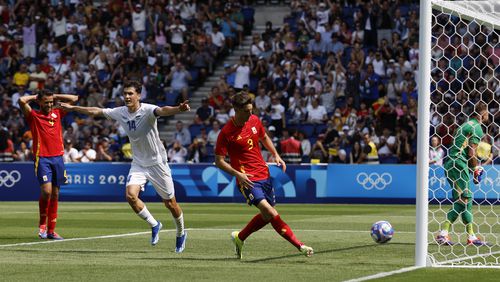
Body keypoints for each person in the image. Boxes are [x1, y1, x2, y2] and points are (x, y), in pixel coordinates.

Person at [60, 81, 188, 252]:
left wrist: (178, 109)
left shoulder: (148, 110)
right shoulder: (120, 112)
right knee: (130, 196)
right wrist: (74, 108)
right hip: (138, 163)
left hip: (158, 164)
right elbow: (95, 111)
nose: (127, 96)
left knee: (171, 204)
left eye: (130, 93)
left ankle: (181, 233)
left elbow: (163, 110)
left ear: (138, 95)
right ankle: (155, 224)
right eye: (125, 93)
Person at [214, 93, 313, 259]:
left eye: (251, 110)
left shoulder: (254, 120)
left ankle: (240, 237)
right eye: (246, 111)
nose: (250, 114)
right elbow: (219, 161)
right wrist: (238, 174)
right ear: (236, 110)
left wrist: (276, 155)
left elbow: (264, 137)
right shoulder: (226, 133)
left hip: (264, 174)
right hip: (247, 180)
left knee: (267, 216)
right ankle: (300, 246)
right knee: (270, 211)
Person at [19, 90, 79, 240]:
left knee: (56, 193)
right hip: (42, 158)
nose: (50, 105)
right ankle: (42, 225)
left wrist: (55, 97)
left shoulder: (57, 112)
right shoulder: (33, 116)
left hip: (58, 157)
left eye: (51, 102)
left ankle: (51, 231)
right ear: (39, 102)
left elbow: (74, 98)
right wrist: (35, 96)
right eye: (46, 102)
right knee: (46, 192)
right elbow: (21, 100)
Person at [436, 102, 489, 246]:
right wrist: (476, 167)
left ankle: (471, 236)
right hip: (458, 165)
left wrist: (472, 169)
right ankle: (443, 233)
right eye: (487, 113)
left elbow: (461, 148)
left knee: (466, 201)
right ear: (483, 114)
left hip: (452, 163)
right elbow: (471, 152)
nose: (488, 116)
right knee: (465, 199)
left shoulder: (464, 126)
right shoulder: (477, 128)